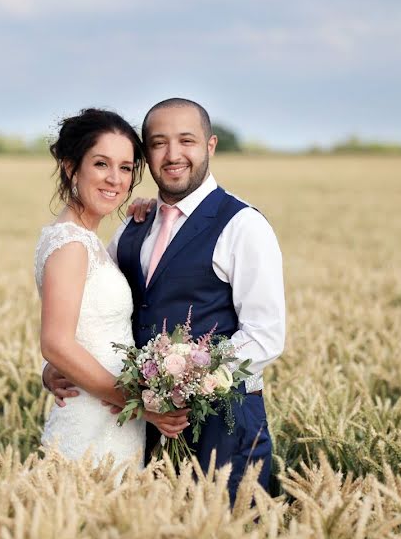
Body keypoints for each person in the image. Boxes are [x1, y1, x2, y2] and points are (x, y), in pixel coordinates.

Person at [43, 98, 286, 501]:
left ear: (209, 146)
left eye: (186, 141)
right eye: (158, 143)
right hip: (141, 426)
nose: (173, 155)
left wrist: (184, 381)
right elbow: (93, 309)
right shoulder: (134, 226)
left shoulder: (243, 226)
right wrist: (54, 366)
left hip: (222, 425)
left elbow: (265, 335)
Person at [35, 108, 189, 468]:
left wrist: (149, 217)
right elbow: (56, 343)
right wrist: (139, 401)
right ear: (72, 167)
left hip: (111, 415)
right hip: (93, 418)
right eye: (101, 164)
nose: (115, 179)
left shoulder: (84, 239)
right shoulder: (72, 244)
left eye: (125, 168)